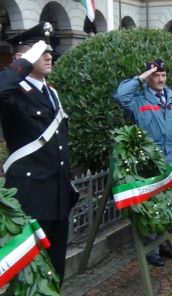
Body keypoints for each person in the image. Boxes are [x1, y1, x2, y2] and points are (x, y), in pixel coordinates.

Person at [0, 22, 77, 282]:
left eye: (49, 50)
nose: (49, 55)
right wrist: (21, 65)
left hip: (57, 194)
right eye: (41, 51)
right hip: (30, 195)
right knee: (30, 272)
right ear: (23, 57)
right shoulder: (14, 94)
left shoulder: (52, 93)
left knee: (55, 268)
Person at [114, 59, 172, 266]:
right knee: (152, 208)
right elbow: (121, 96)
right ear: (149, 77)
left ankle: (166, 244)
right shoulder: (138, 101)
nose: (160, 79)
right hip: (150, 167)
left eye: (163, 75)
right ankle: (152, 250)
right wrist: (140, 78)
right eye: (155, 75)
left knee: (170, 205)